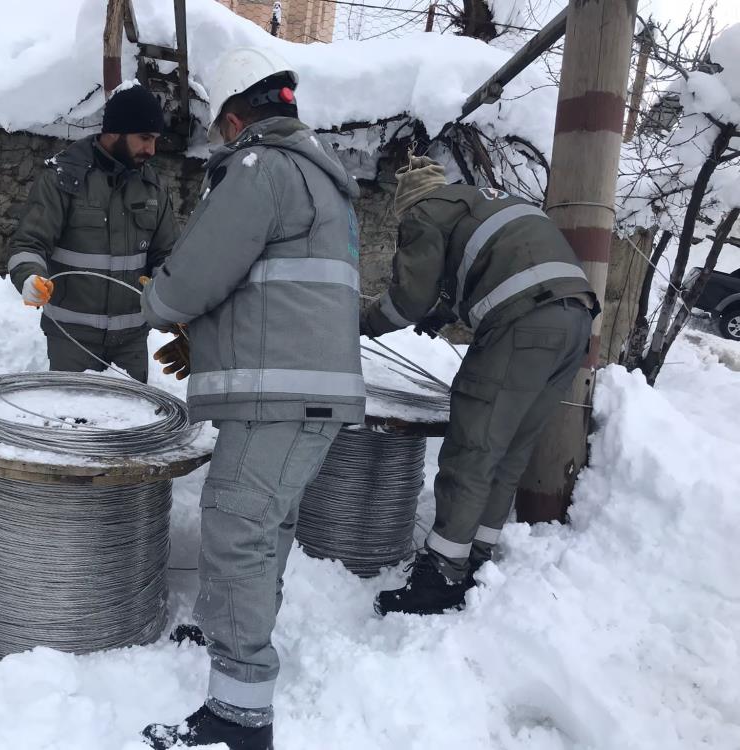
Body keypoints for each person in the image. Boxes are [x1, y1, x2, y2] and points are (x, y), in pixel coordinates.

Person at [138, 48, 365, 750]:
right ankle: (227, 632)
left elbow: (197, 273)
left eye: (218, 132)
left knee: (236, 527)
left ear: (236, 120)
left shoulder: (260, 169)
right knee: (263, 526)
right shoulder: (317, 179)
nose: (218, 144)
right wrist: (209, 339)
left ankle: (238, 716)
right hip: (300, 393)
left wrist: (163, 303)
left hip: (279, 398)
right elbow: (272, 294)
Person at [360, 155, 598, 617]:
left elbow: (407, 300)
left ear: (408, 202)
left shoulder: (424, 211)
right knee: (507, 451)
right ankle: (476, 560)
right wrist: (445, 312)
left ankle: (442, 577)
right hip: (575, 324)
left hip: (524, 324)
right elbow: (489, 268)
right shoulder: (487, 201)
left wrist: (362, 322)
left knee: (473, 446)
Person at [5, 85, 178, 382]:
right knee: (72, 425)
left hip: (131, 344)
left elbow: (168, 255)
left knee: (130, 427)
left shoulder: (153, 188)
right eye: (144, 138)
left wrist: (168, 296)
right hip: (71, 341)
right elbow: (29, 243)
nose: (151, 150)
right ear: (115, 132)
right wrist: (30, 277)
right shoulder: (62, 179)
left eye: (155, 140)